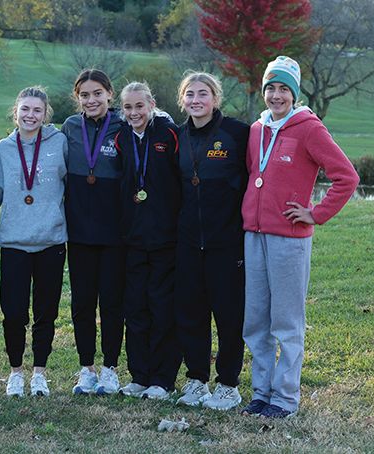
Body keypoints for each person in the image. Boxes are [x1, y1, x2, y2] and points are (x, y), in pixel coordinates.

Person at [240, 56, 359, 418]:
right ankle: (261, 393)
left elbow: (347, 177)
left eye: (283, 89)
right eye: (271, 88)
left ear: (294, 94)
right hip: (254, 235)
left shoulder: (309, 129)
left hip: (289, 240)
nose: (276, 95)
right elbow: (254, 173)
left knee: (287, 322)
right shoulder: (256, 129)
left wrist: (316, 213)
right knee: (256, 320)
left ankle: (285, 398)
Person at [173, 72, 250, 411]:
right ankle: (197, 379)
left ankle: (229, 385)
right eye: (190, 94)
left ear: (215, 98)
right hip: (189, 242)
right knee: (191, 313)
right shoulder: (177, 136)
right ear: (182, 100)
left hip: (227, 243)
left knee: (229, 316)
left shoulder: (237, 133)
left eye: (203, 93)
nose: (196, 100)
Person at [0, 87, 68, 397]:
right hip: (15, 241)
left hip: (51, 240)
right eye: (25, 109)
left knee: (46, 312)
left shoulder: (59, 142)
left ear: (45, 114)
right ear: (16, 112)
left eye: (37, 110)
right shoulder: (2, 148)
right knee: (13, 313)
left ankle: (39, 373)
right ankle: (15, 372)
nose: (30, 115)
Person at [114, 82, 182, 399]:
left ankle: (163, 379)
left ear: (151, 104)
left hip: (166, 238)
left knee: (162, 308)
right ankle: (139, 375)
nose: (134, 113)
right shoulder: (121, 137)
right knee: (136, 309)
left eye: (139, 106)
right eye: (128, 107)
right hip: (133, 239)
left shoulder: (169, 134)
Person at [60, 69, 125, 395]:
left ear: (110, 94)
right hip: (79, 232)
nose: (91, 100)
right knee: (82, 304)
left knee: (112, 303)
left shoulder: (122, 125)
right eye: (84, 95)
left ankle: (110, 368)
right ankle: (86, 369)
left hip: (114, 233)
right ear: (78, 98)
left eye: (97, 93)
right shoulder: (70, 127)